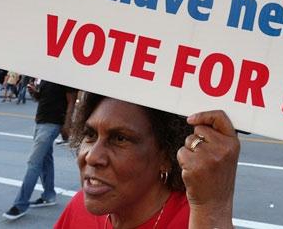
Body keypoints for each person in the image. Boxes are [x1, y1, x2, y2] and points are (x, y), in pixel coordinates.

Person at [54, 93, 240, 228]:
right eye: (91, 134)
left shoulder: (197, 219)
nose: (92, 156)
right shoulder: (79, 206)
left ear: (166, 156)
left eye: (120, 139)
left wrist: (212, 212)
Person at [3, 80, 77, 220]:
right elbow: (42, 98)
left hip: (52, 123)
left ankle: (20, 204)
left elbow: (71, 101)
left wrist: (67, 125)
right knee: (45, 160)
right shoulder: (46, 76)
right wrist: (35, 93)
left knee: (33, 163)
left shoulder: (66, 75)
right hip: (41, 121)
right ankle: (49, 195)